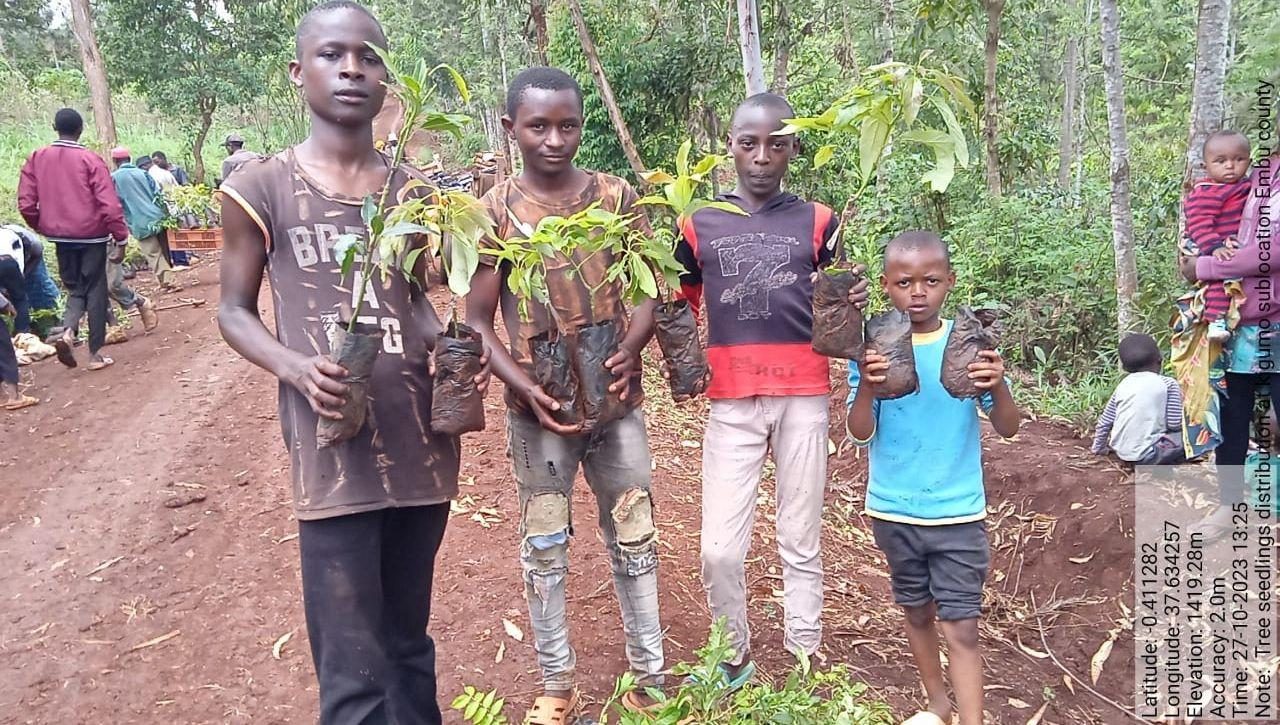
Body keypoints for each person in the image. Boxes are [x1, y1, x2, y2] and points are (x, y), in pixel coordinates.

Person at [217, 3, 487, 722]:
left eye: (368, 57)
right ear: (298, 71)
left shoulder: (414, 192)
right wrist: (298, 368)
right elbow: (233, 312)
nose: (351, 69)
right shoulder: (262, 188)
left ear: (387, 79)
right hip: (333, 451)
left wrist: (453, 350)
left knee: (407, 647)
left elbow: (416, 305)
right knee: (352, 669)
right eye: (333, 55)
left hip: (422, 446)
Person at [466, 66, 665, 721]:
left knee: (634, 533)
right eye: (538, 126)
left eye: (568, 125)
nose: (555, 139)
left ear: (584, 125)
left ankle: (651, 678)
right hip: (537, 415)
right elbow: (476, 320)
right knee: (546, 545)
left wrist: (630, 349)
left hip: (616, 405)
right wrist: (524, 385)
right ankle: (556, 683)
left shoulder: (615, 197)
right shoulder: (494, 211)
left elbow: (645, 292)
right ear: (509, 128)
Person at [673, 92, 867, 685]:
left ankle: (805, 651)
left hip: (805, 394)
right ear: (729, 144)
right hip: (730, 400)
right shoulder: (698, 222)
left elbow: (837, 306)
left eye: (776, 144)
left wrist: (852, 301)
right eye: (748, 142)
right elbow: (678, 305)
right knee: (720, 550)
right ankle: (733, 653)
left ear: (792, 149)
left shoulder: (819, 221)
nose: (761, 156)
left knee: (800, 532)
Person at [847, 231, 1021, 725]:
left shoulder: (969, 347)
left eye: (930, 281)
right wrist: (870, 387)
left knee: (962, 626)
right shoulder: (875, 348)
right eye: (904, 283)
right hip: (894, 509)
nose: (917, 292)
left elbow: (1008, 428)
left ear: (950, 282)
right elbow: (859, 433)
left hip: (958, 513)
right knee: (916, 611)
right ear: (886, 286)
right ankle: (938, 705)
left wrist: (999, 383)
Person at [1180, 110, 1280, 538]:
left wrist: (1202, 265)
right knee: (1232, 417)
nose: (1231, 166)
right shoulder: (1262, 172)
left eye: (1235, 159)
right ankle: (1228, 507)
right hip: (1237, 322)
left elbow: (1270, 252)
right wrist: (1210, 252)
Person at [18, 108, 130, 371]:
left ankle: (67, 333)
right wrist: (121, 236)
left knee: (75, 288)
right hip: (91, 235)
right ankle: (94, 354)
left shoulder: (37, 158)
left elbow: (25, 203)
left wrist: (43, 224)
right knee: (95, 289)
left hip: (60, 237)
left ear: (54, 127)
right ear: (81, 129)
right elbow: (109, 204)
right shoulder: (89, 159)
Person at [1181, 130, 1252, 342]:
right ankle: (1216, 320)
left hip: (1236, 243)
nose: (1230, 166)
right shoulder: (1207, 191)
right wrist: (1214, 247)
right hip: (1212, 243)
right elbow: (1198, 223)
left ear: (1249, 161)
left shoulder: (1246, 185)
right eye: (1220, 161)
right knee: (1217, 283)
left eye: (1238, 159)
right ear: (1206, 165)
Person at [1090, 333, 1186, 465]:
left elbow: (1105, 422)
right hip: (1149, 454)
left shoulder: (1123, 385)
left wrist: (1098, 448)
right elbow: (1174, 424)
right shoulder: (1168, 383)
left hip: (1121, 453)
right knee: (1191, 435)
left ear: (1125, 368)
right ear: (1160, 360)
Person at [110, 149, 181, 292]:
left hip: (140, 220)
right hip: (158, 216)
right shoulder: (143, 173)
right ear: (129, 158)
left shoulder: (114, 178)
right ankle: (166, 281)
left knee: (153, 252)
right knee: (163, 249)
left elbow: (115, 202)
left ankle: (169, 281)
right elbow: (157, 193)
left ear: (115, 161)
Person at [147, 151, 191, 268]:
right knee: (175, 233)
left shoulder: (152, 175)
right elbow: (176, 187)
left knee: (172, 235)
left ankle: (179, 260)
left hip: (167, 207)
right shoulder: (165, 173)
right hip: (174, 205)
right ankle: (181, 260)